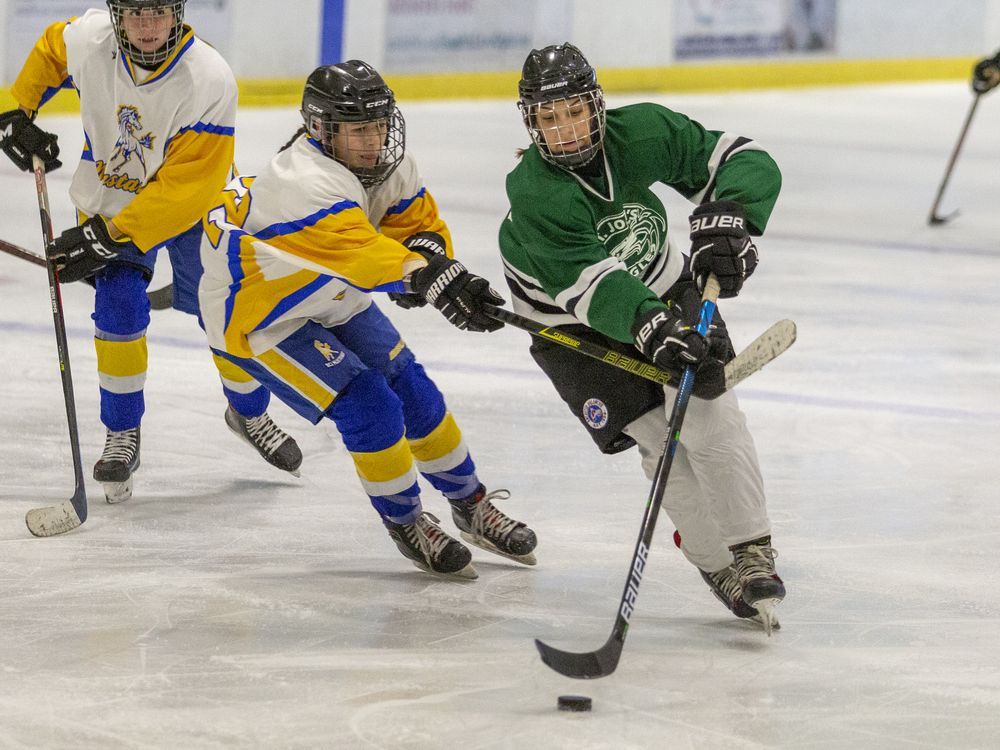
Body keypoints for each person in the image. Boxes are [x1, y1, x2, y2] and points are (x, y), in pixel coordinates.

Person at [197, 61, 537, 579]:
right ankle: (406, 521)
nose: (374, 142)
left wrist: (435, 263)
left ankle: (471, 504)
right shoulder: (299, 181)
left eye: (379, 126)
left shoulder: (391, 165)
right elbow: (363, 254)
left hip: (334, 296)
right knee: (370, 405)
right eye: (358, 130)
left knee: (413, 388)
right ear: (321, 129)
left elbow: (417, 226)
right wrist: (424, 277)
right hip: (265, 313)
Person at [497, 43, 785, 628]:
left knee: (710, 412)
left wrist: (730, 216)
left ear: (596, 106)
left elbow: (742, 157)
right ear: (531, 123)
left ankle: (752, 549)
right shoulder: (535, 193)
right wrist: (650, 325)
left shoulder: (642, 132)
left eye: (574, 111)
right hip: (572, 325)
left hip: (664, 282)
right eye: (549, 118)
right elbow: (594, 289)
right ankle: (715, 562)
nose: (565, 129)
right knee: (661, 437)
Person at [0, 0, 302, 504]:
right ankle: (122, 432)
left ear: (177, 13)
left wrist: (108, 236)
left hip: (195, 205)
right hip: (113, 196)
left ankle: (249, 413)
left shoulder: (208, 78)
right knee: (118, 308)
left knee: (225, 313)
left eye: (158, 12)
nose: (146, 26)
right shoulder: (91, 40)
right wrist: (17, 111)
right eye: (134, 13)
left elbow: (185, 190)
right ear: (116, 14)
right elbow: (53, 48)